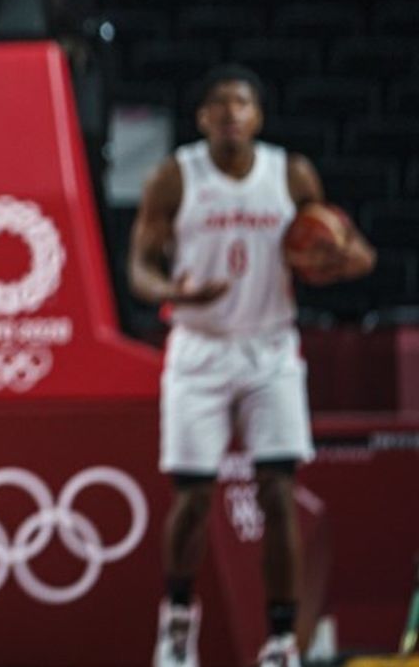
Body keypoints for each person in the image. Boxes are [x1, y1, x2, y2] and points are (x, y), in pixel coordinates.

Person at [131, 64, 375, 667]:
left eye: (240, 103)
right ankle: (178, 621)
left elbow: (354, 252)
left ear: (257, 115)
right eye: (217, 105)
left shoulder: (288, 173)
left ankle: (281, 640)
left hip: (269, 349)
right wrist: (176, 293)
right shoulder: (174, 176)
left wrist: (342, 259)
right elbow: (139, 268)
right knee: (192, 500)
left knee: (278, 492)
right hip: (199, 347)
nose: (230, 113)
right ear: (202, 119)